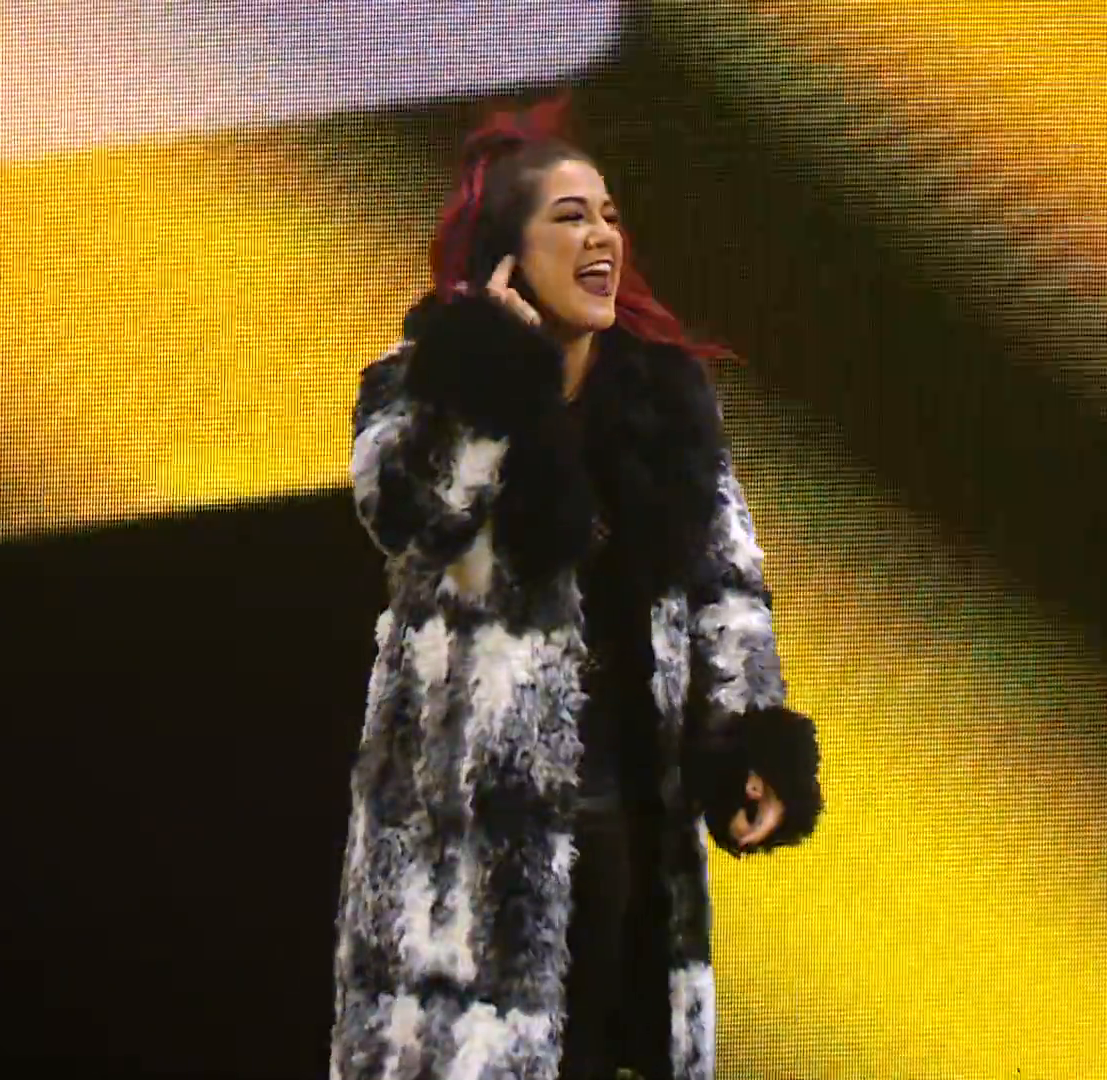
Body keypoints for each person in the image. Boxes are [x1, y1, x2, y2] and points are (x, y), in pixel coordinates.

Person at [330, 95, 823, 1080]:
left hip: (631, 821)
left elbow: (726, 588)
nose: (602, 236)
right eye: (570, 217)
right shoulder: (424, 384)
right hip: (470, 857)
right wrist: (494, 378)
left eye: (609, 216)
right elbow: (411, 515)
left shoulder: (665, 404)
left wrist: (748, 742)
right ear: (508, 255)